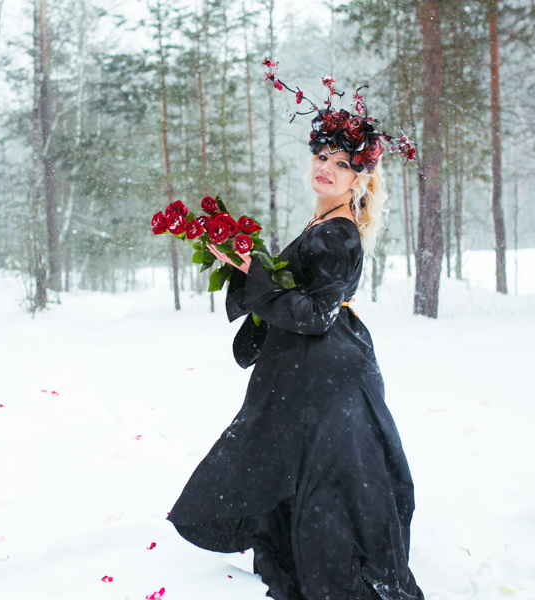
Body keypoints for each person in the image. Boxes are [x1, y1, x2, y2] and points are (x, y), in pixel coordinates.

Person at [167, 67, 423, 600]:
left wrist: (254, 274)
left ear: (359, 178)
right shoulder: (322, 225)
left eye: (341, 163)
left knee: (325, 474)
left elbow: (317, 315)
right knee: (299, 462)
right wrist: (244, 266)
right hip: (313, 367)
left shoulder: (339, 234)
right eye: (322, 157)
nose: (326, 168)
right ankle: (302, 553)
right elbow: (298, 297)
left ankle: (329, 566)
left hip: (326, 370)